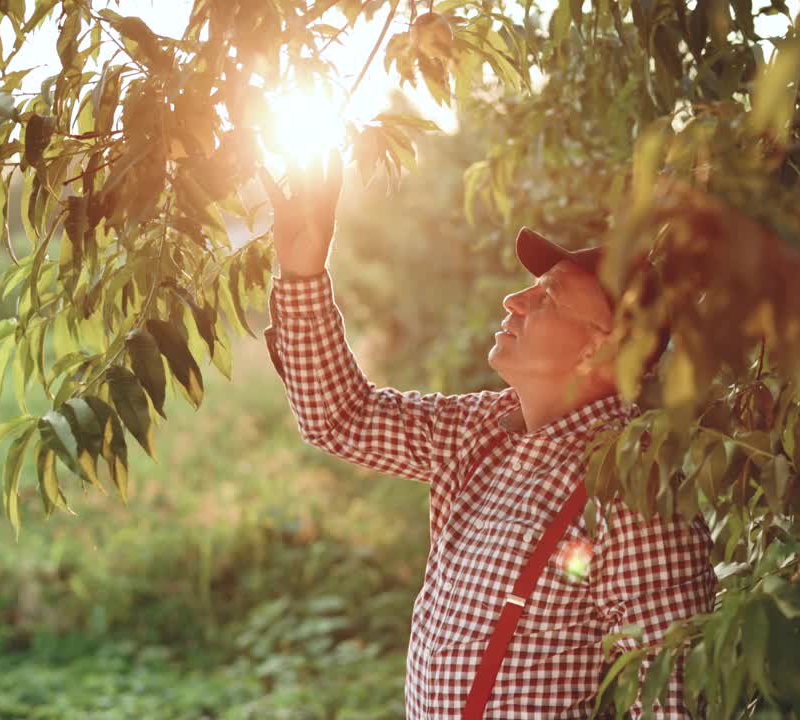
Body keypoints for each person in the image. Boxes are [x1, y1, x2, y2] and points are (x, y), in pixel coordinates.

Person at [258, 152, 717, 719]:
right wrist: (302, 274)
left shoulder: (634, 489)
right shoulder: (475, 431)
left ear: (605, 343)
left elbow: (675, 700)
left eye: (548, 297)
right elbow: (340, 416)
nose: (515, 300)